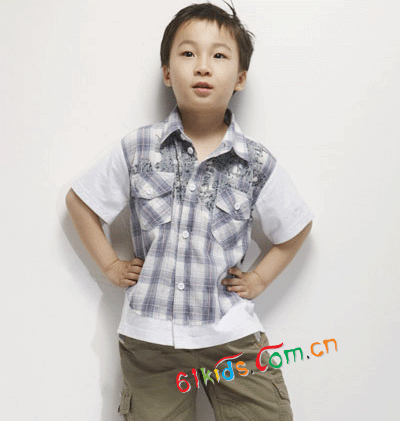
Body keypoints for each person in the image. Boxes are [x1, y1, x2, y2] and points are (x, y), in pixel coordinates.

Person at [66, 2, 314, 420]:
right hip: (151, 341)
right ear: (167, 72)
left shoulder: (255, 162)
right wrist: (110, 265)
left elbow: (296, 226)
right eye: (187, 53)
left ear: (240, 78)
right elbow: (81, 201)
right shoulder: (138, 148)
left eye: (218, 55)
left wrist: (259, 279)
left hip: (230, 334)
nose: (202, 66)